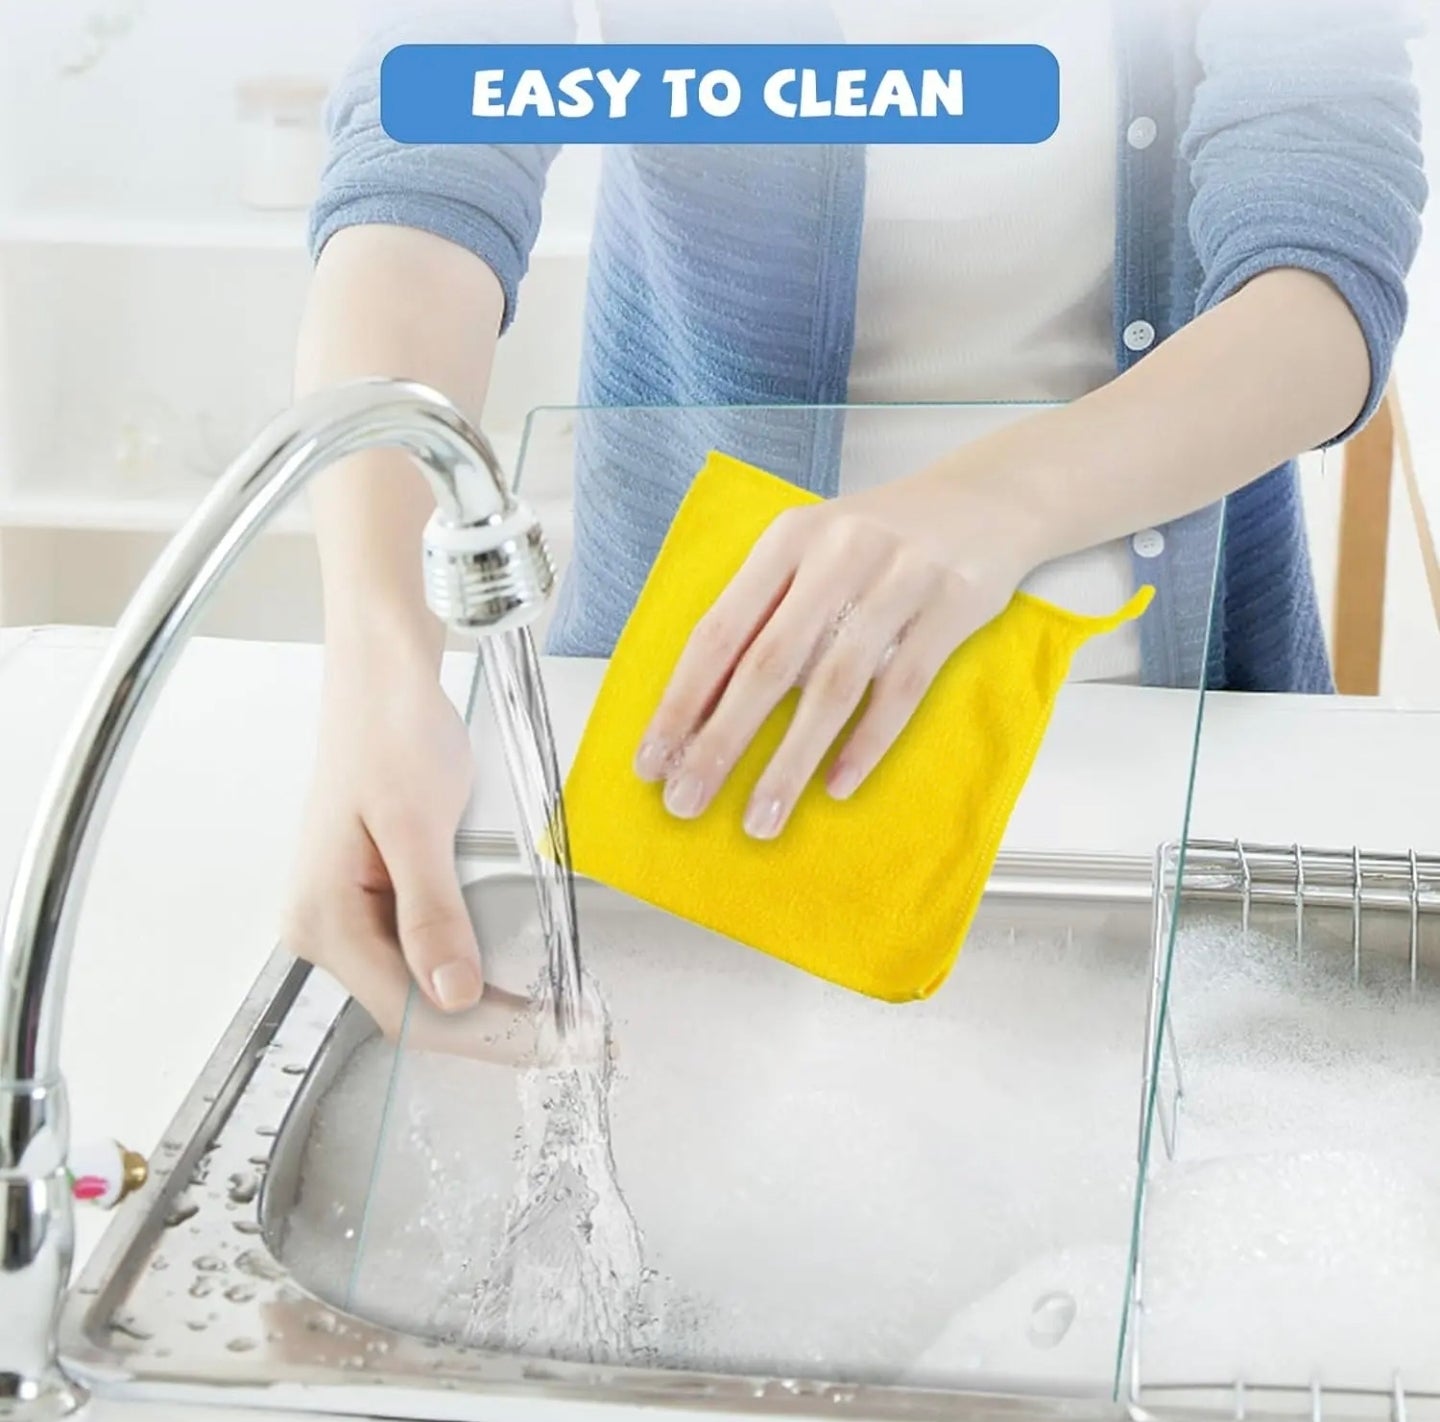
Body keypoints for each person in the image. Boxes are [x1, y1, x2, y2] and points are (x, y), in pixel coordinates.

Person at [283, 0, 1427, 1028]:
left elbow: (1320, 278)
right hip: (705, 752)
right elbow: (424, 160)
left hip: (1163, 755)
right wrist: (379, 672)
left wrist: (990, 503)